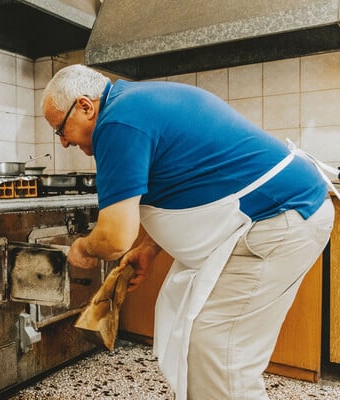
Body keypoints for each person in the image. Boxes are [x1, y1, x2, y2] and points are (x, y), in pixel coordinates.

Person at [41, 64, 335, 400]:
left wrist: (84, 247)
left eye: (59, 129)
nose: (63, 143)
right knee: (207, 342)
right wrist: (151, 248)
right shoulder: (134, 105)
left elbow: (114, 237)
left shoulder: (117, 122)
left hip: (277, 220)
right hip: (277, 217)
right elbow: (187, 185)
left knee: (219, 352)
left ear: (85, 106)